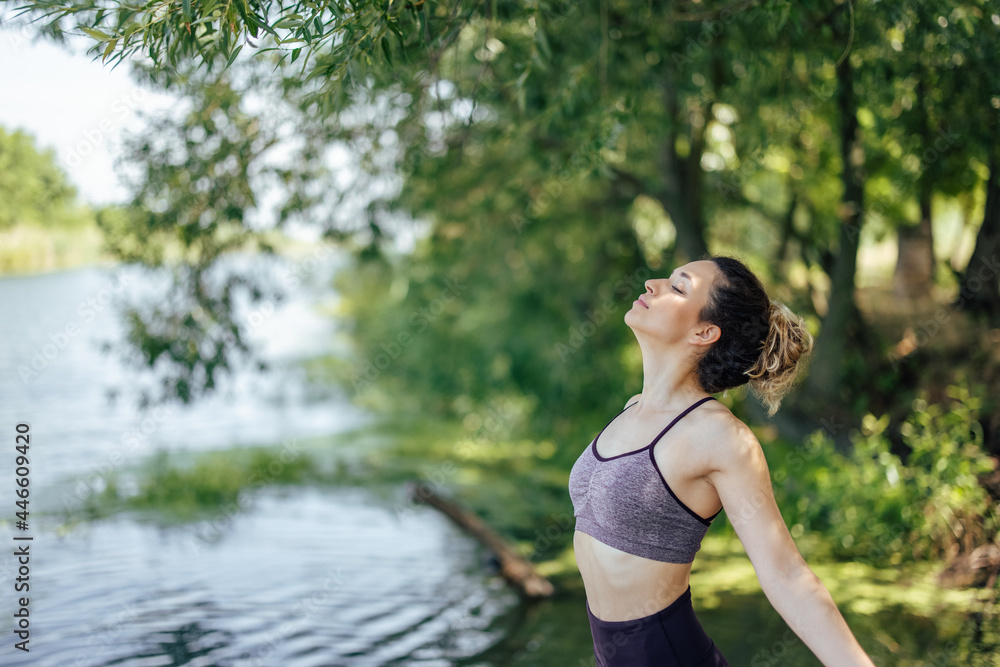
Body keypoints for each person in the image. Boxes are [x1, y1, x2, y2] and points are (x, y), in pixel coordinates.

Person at [568, 255, 876, 666]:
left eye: (678, 287)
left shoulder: (720, 437)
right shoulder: (632, 408)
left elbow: (786, 574)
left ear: (704, 331)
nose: (652, 285)